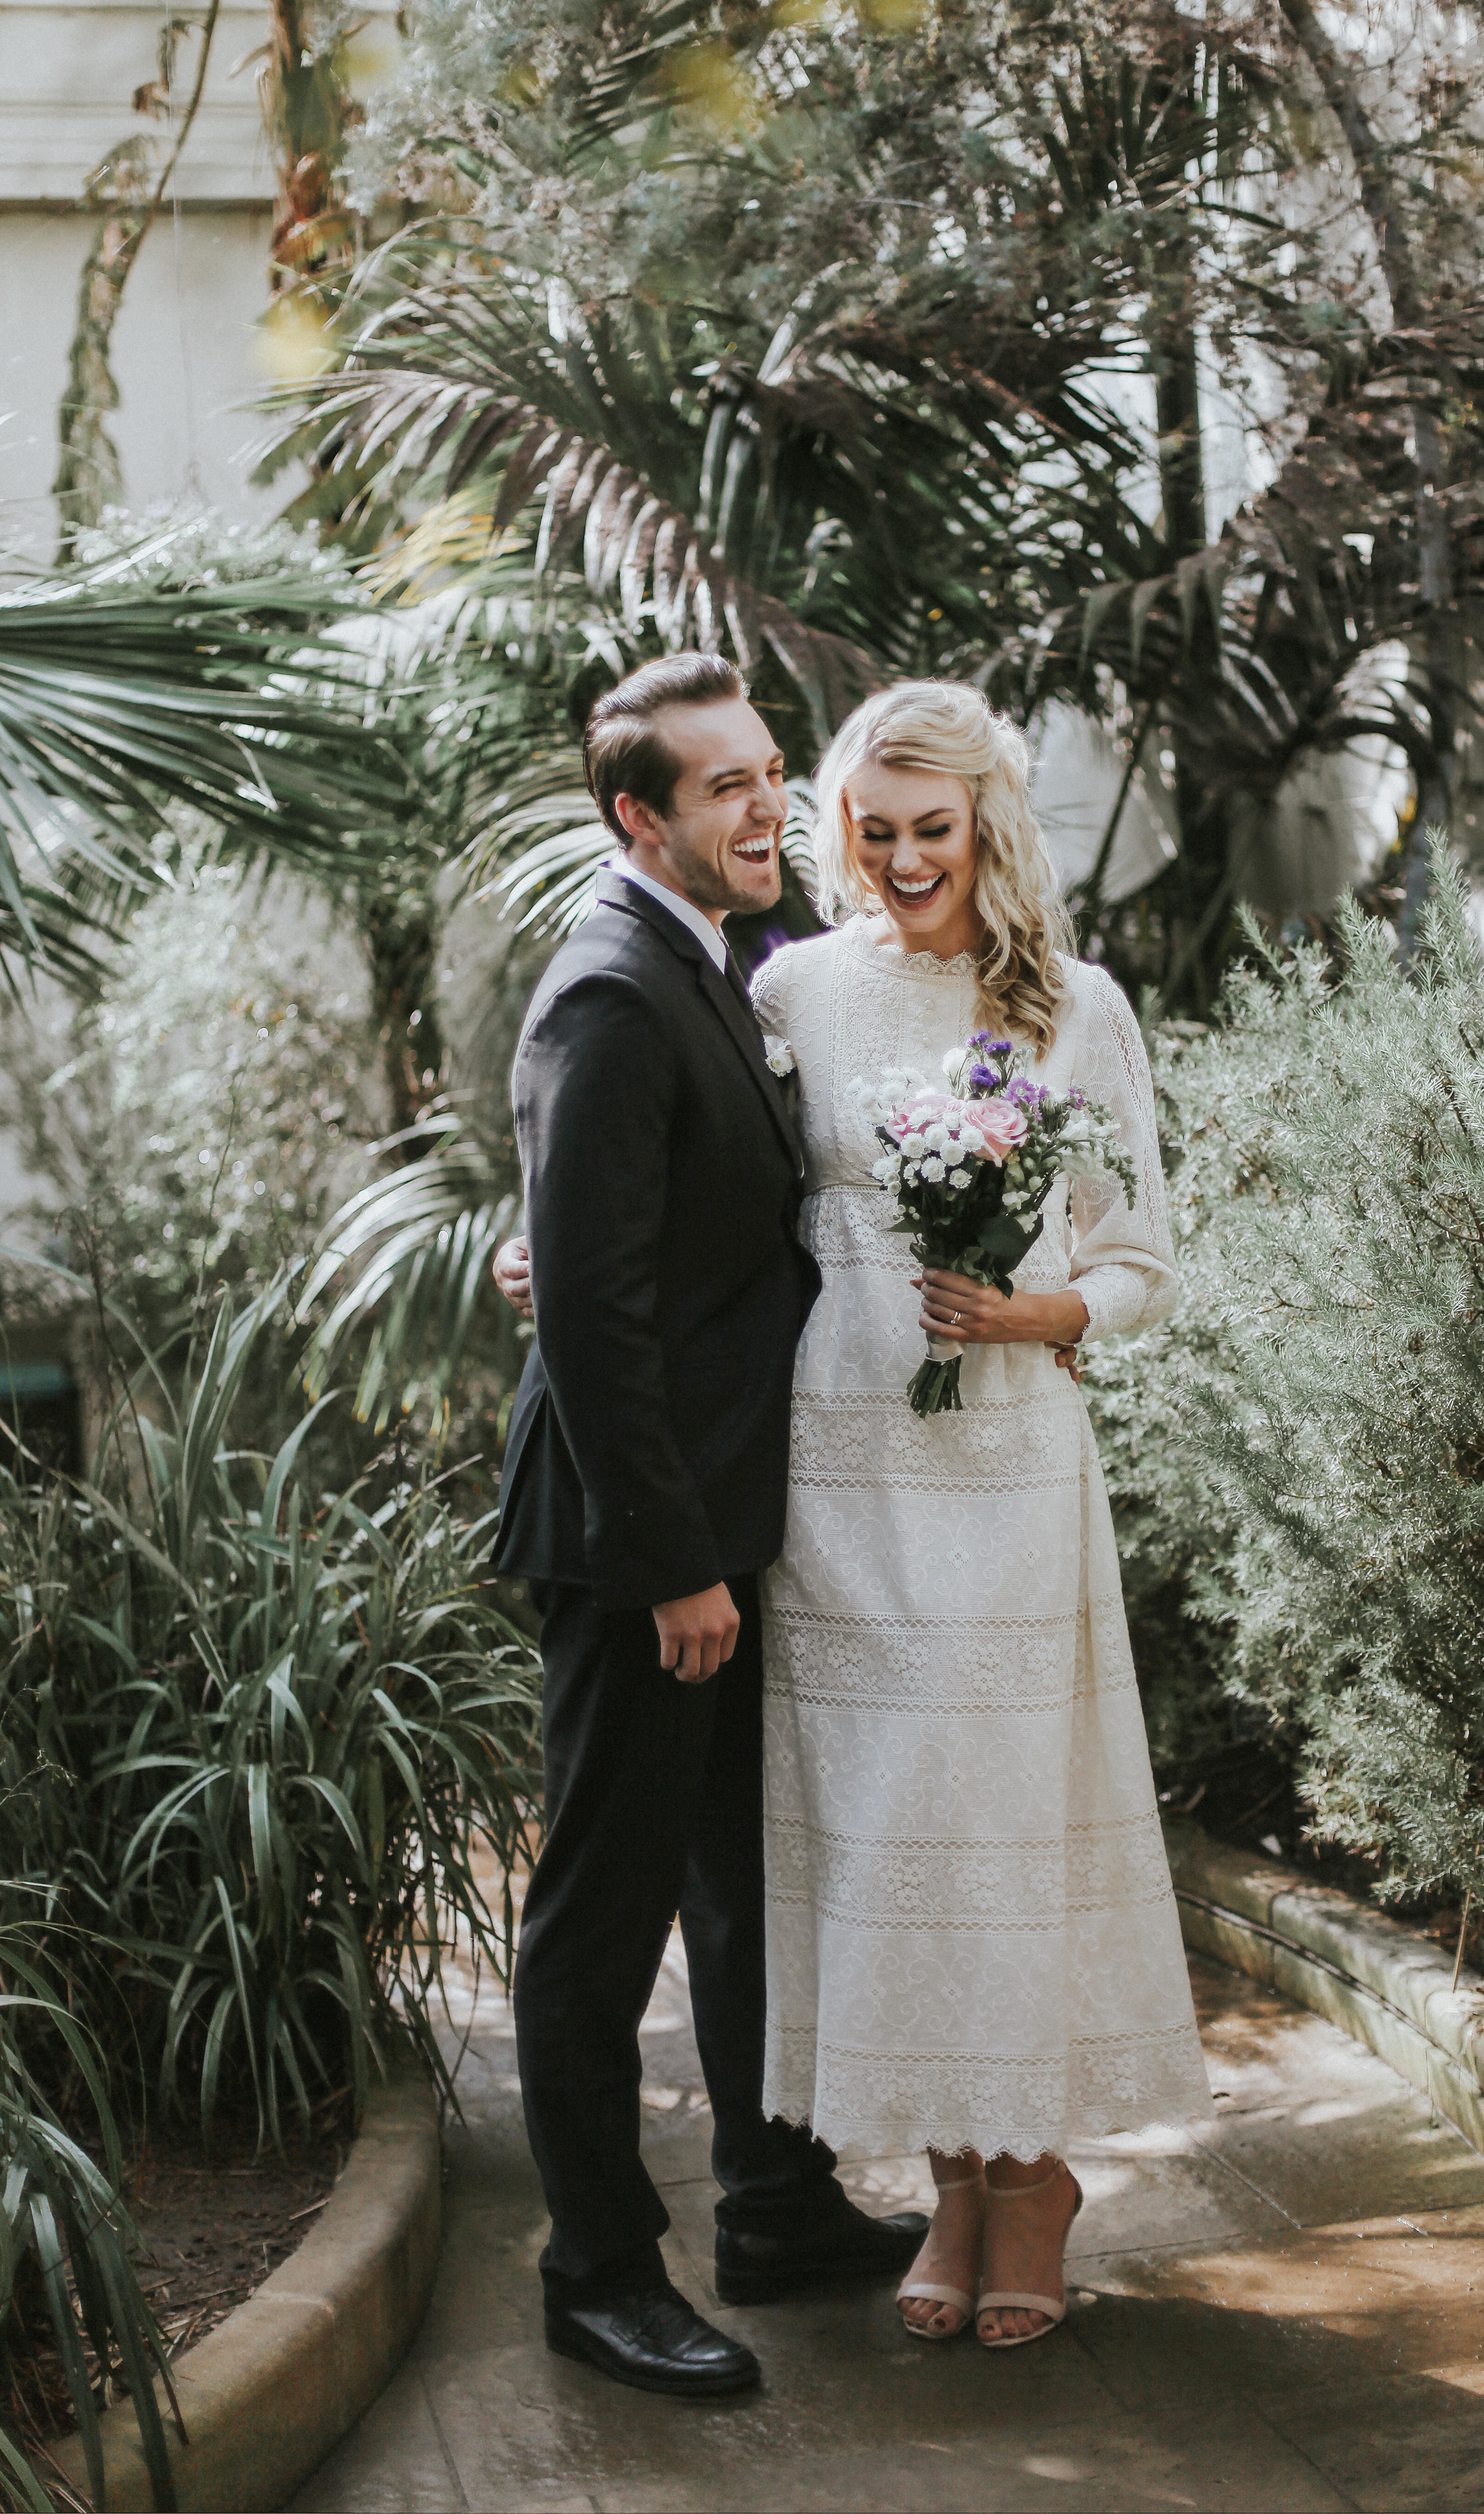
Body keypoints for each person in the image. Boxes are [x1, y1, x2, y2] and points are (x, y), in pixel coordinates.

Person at [746, 679, 1210, 2350]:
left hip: (1010, 1459)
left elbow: (1145, 1261)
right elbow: (708, 1175)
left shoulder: (1075, 1006)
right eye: (871, 831)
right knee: (891, 1828)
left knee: (1005, 1818)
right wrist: (547, 1247)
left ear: (986, 825)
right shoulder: (791, 986)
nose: (898, 859)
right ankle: (953, 2177)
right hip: (843, 1459)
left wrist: (1034, 1318)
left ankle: (1037, 2178)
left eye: (929, 829)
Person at [488, 653, 925, 2403]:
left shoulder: (715, 963)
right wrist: (671, 1560)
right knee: (599, 1921)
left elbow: (644, 1230)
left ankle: (776, 2200)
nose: (767, 807)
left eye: (768, 772)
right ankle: (597, 2271)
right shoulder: (609, 990)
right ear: (638, 819)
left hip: (720, 1512)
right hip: (632, 1538)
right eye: (725, 787)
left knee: (744, 1883)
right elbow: (590, 1312)